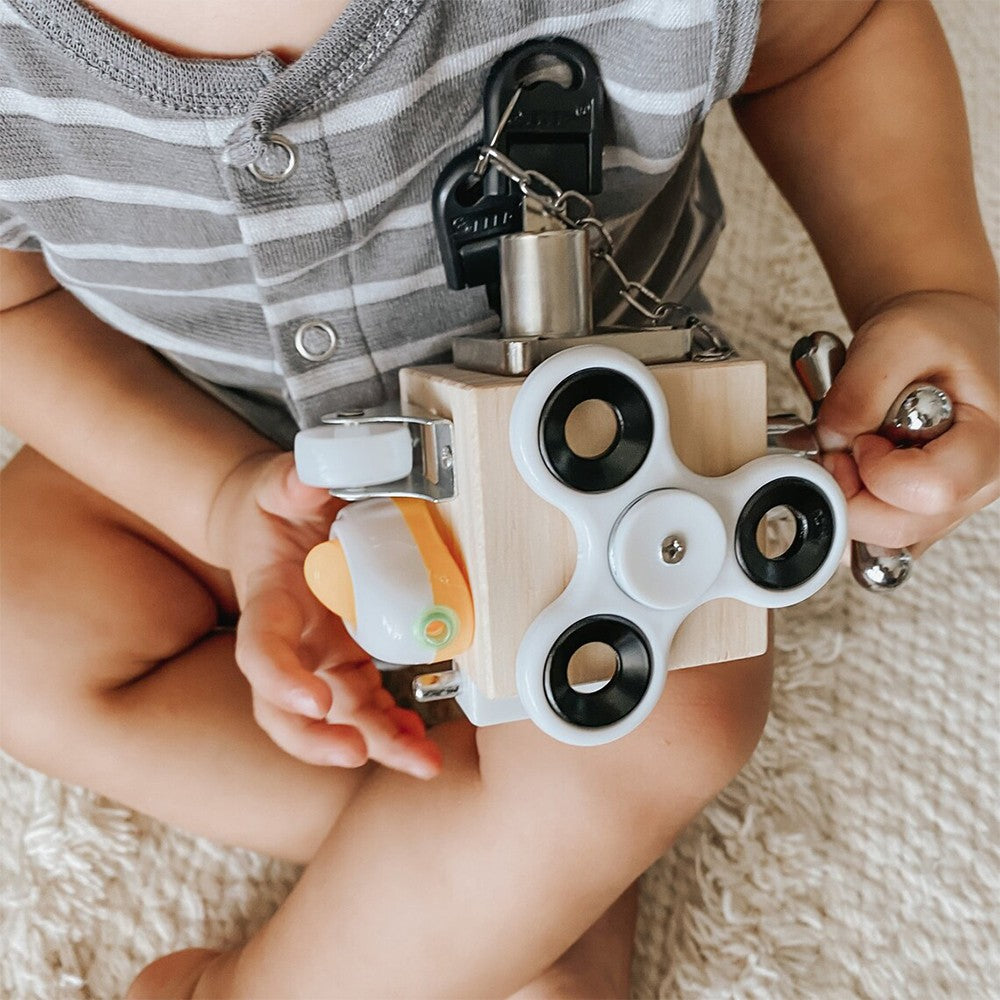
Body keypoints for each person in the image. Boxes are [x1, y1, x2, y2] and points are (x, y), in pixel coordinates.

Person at [0, 0, 996, 996]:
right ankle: (525, 886)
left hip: (594, 469)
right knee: (21, 627)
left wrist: (928, 284)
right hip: (217, 426)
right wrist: (217, 495)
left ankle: (427, 909)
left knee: (669, 714)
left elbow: (836, 30)